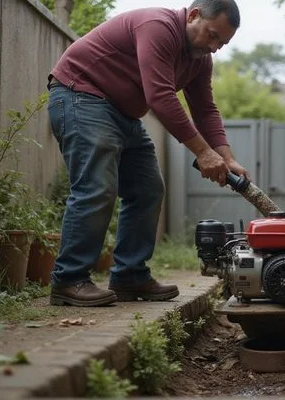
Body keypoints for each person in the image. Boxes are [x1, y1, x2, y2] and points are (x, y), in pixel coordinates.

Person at [46, 0, 248, 307]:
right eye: (212, 35)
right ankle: (69, 280)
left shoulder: (199, 59)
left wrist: (226, 156)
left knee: (148, 189)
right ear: (193, 15)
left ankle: (129, 275)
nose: (216, 46)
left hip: (122, 113)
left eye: (223, 42)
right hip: (81, 94)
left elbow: (205, 109)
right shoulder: (158, 27)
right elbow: (160, 96)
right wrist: (204, 153)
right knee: (97, 187)